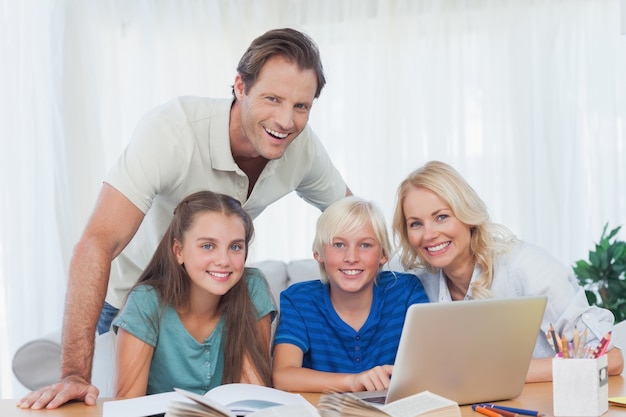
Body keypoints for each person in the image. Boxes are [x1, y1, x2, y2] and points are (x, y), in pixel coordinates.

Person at [18, 27, 350, 409]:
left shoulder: (302, 149)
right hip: (133, 302)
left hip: (214, 301)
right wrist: (74, 373)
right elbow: (97, 241)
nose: (286, 121)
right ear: (240, 86)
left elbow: (355, 221)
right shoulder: (173, 132)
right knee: (123, 406)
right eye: (272, 99)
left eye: (301, 106)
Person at [391, 160, 624, 382]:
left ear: (467, 215)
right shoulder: (417, 280)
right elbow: (360, 255)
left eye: (441, 217)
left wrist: (498, 374)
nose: (429, 234)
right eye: (416, 224)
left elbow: (611, 360)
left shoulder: (526, 266)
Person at [112, 191, 275, 397]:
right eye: (208, 246)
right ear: (178, 250)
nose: (223, 260)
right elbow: (128, 407)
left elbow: (253, 395)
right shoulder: (146, 301)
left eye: (235, 247)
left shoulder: (252, 286)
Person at [272, 196, 429, 393]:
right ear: (318, 253)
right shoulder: (298, 300)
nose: (352, 258)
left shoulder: (406, 291)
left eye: (365, 245)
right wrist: (353, 382)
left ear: (383, 254)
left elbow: (430, 365)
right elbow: (283, 376)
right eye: (339, 244)